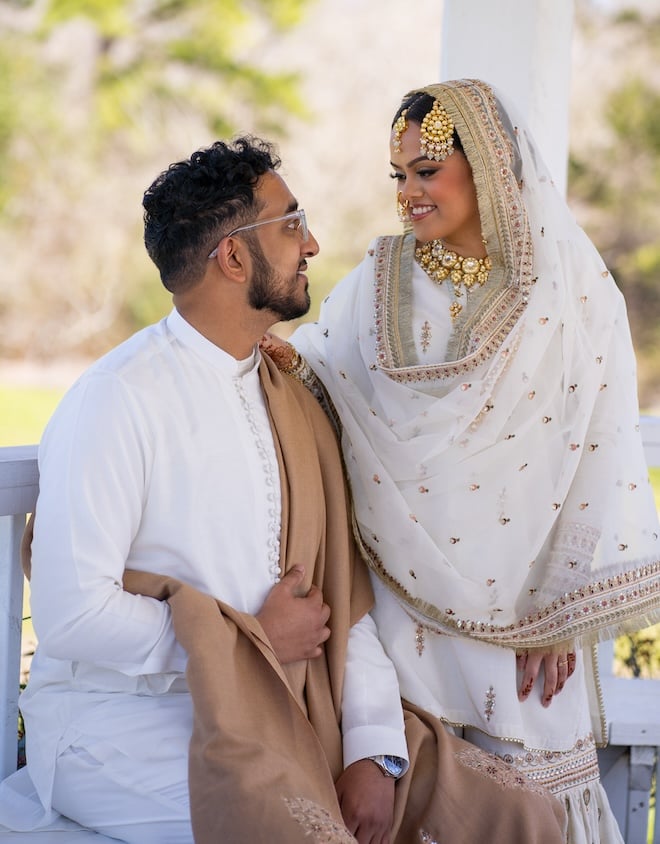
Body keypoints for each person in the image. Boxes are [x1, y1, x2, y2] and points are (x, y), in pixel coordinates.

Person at [0, 135, 568, 844]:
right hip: (127, 727)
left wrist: (370, 749)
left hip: (300, 708)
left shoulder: (285, 390)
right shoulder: (117, 401)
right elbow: (70, 617)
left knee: (515, 814)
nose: (313, 243)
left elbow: (339, 599)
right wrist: (250, 643)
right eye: (292, 224)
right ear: (234, 257)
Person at [264, 79, 660, 844]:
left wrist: (561, 610)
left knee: (530, 813)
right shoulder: (378, 283)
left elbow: (598, 448)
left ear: (485, 166)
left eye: (428, 170)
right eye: (399, 176)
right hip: (404, 600)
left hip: (527, 608)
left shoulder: (574, 294)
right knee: (423, 798)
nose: (409, 194)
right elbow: (318, 370)